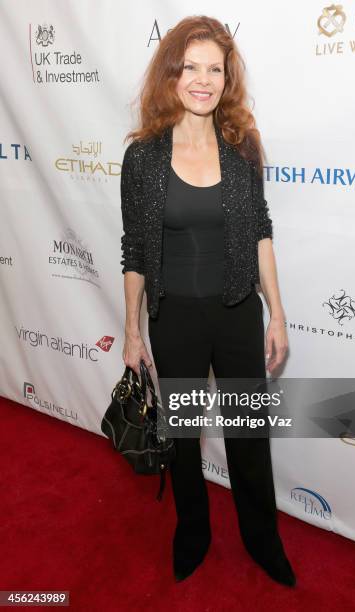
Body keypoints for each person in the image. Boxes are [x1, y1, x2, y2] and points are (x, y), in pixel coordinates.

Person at [120, 16, 296, 587]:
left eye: (214, 69)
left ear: (227, 77)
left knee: (249, 436)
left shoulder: (243, 145)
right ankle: (192, 532)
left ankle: (262, 540)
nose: (203, 80)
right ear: (172, 73)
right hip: (175, 320)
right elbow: (135, 248)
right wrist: (131, 330)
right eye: (190, 67)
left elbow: (261, 230)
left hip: (237, 311)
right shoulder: (143, 156)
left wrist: (277, 313)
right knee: (185, 438)